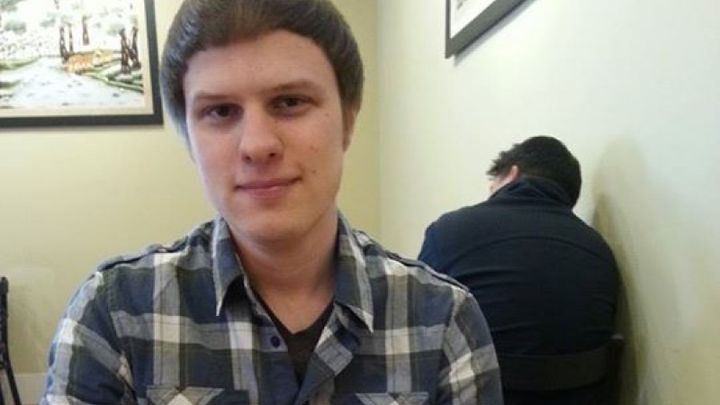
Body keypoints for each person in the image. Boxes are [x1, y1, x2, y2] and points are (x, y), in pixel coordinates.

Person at [41, 1, 503, 404]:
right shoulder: (114, 315)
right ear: (189, 138)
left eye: (289, 102)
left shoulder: (443, 320)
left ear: (348, 119)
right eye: (220, 111)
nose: (258, 145)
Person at [418, 136, 618, 404]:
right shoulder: (599, 251)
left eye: (493, 186)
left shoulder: (449, 230)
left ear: (512, 173)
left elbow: (417, 326)